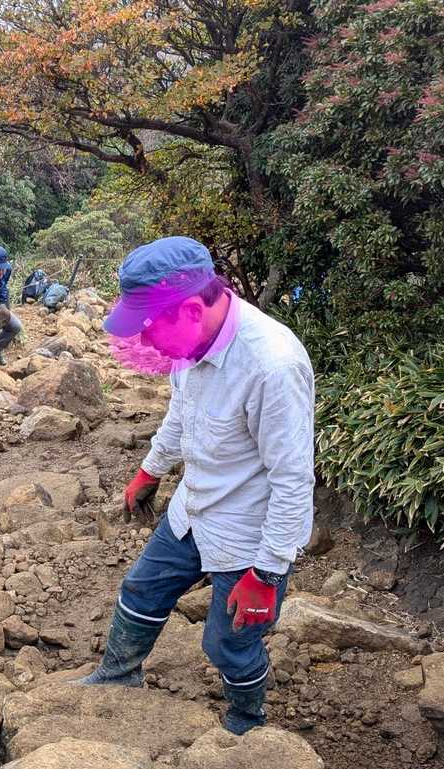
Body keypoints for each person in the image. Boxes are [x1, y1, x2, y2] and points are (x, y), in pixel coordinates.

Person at [80, 236, 315, 734]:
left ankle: (246, 723)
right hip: (193, 507)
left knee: (228, 642)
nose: (146, 344)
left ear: (189, 309)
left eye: (148, 329)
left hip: (246, 532)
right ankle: (117, 676)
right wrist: (150, 470)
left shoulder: (272, 365)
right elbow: (180, 415)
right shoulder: (190, 344)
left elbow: (293, 480)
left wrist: (267, 574)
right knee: (141, 590)